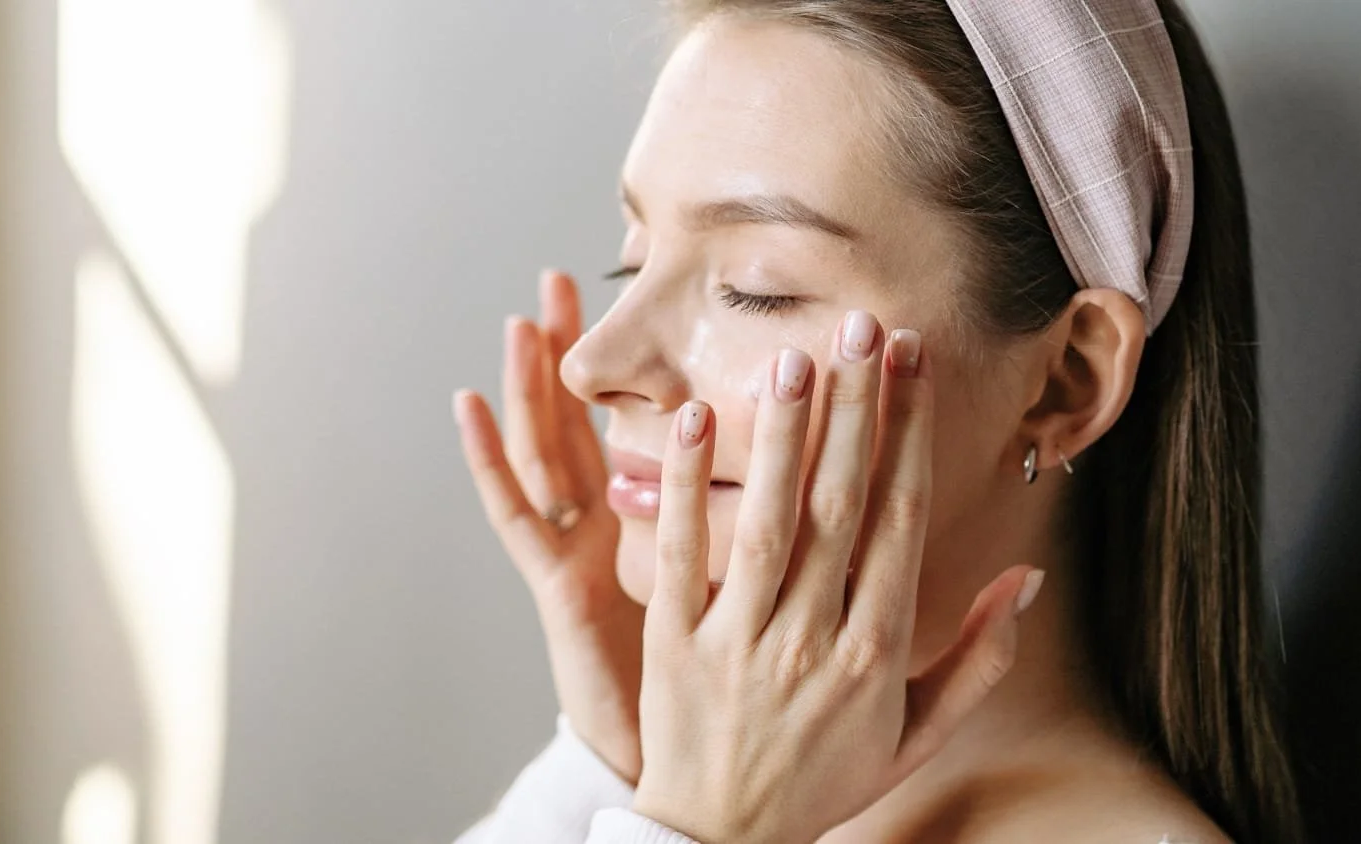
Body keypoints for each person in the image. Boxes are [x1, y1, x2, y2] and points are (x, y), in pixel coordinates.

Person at [451, 0, 1303, 841]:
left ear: (1065, 382)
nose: (593, 366)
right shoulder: (670, 790)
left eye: (758, 286)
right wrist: (613, 768)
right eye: (630, 263)